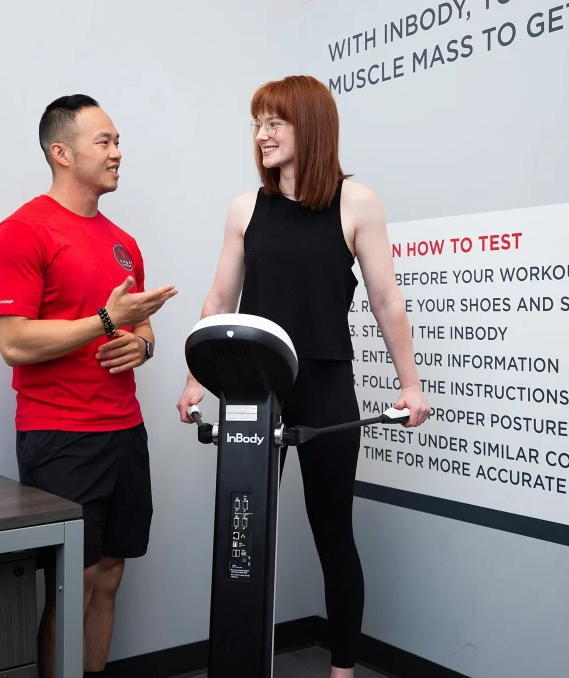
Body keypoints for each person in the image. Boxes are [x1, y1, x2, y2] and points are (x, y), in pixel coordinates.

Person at [176, 75, 431, 678]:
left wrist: (411, 384)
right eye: (257, 124)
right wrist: (196, 379)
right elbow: (219, 299)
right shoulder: (246, 207)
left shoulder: (357, 202)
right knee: (245, 535)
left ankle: (342, 671)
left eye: (275, 122)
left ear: (310, 126)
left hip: (324, 383)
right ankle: (241, 662)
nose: (261, 135)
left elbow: (386, 299)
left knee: (333, 535)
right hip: (254, 385)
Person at [0, 94, 177, 678]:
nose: (118, 152)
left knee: (111, 574)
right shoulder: (20, 234)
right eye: (105, 142)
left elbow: (142, 329)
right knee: (76, 581)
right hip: (59, 436)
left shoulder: (123, 241)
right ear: (60, 152)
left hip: (124, 432)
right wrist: (105, 322)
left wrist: (140, 344)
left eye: (118, 141)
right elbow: (14, 343)